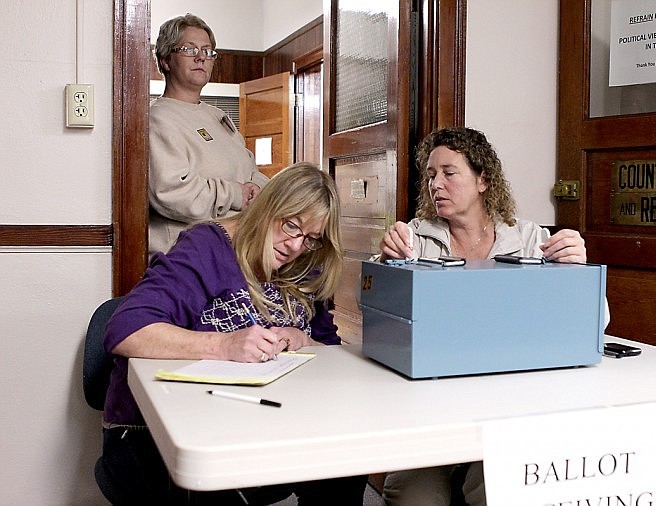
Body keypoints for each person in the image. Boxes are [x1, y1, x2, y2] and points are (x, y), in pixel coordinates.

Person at [100, 163, 367, 505]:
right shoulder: (207, 247)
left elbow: (328, 350)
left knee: (345, 462)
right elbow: (126, 330)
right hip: (161, 435)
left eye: (311, 238)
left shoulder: (304, 263)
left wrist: (304, 341)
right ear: (267, 207)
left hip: (267, 423)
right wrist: (224, 344)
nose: (295, 245)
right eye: (291, 225)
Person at [379, 126, 606, 506]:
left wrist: (577, 271)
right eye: (431, 175)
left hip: (511, 405)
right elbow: (376, 310)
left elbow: (596, 323)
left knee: (500, 490)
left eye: (449, 173)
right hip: (431, 406)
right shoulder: (413, 238)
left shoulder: (531, 238)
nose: (437, 184)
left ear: (483, 179)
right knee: (413, 498)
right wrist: (387, 264)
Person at [149, 13, 269, 255]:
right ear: (165, 60)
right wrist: (236, 194)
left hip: (238, 249)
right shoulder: (157, 118)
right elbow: (170, 192)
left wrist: (258, 189)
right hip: (189, 259)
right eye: (189, 49)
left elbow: (249, 170)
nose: (201, 57)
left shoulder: (218, 116)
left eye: (207, 51)